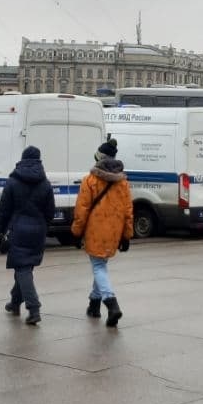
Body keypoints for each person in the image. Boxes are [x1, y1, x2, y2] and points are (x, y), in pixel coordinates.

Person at [71, 139, 133, 326]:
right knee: (101, 265)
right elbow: (128, 210)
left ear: (98, 158)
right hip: (114, 231)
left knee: (98, 267)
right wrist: (126, 235)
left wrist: (76, 232)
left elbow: (82, 210)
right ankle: (94, 304)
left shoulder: (90, 180)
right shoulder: (123, 183)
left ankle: (111, 304)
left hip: (94, 230)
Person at [0, 145, 54, 325]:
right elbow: (50, 212)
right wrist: (43, 225)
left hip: (18, 229)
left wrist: (1, 229)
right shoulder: (45, 183)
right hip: (38, 230)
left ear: (22, 159)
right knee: (24, 268)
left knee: (22, 269)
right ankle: (15, 303)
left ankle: (34, 308)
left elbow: (4, 210)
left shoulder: (13, 181)